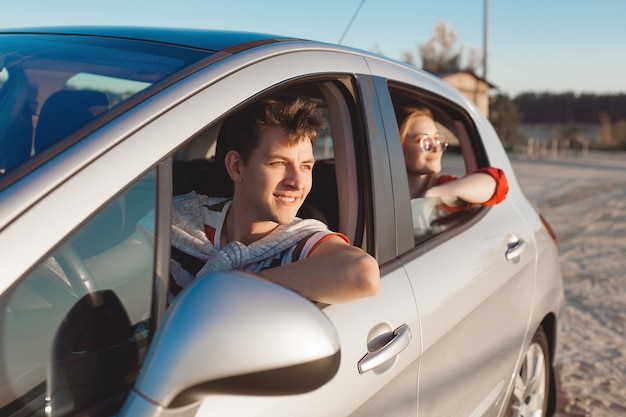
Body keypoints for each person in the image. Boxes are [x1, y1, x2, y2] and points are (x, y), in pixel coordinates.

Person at [157, 96, 380, 304]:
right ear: (236, 167)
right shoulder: (183, 218)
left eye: (306, 166)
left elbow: (363, 274)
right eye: (279, 163)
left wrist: (234, 285)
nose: (297, 182)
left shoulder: (300, 243)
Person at [397, 105, 508, 208]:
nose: (437, 148)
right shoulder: (381, 191)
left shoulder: (444, 187)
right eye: (424, 141)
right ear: (398, 146)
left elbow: (499, 183)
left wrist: (433, 194)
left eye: (437, 139)